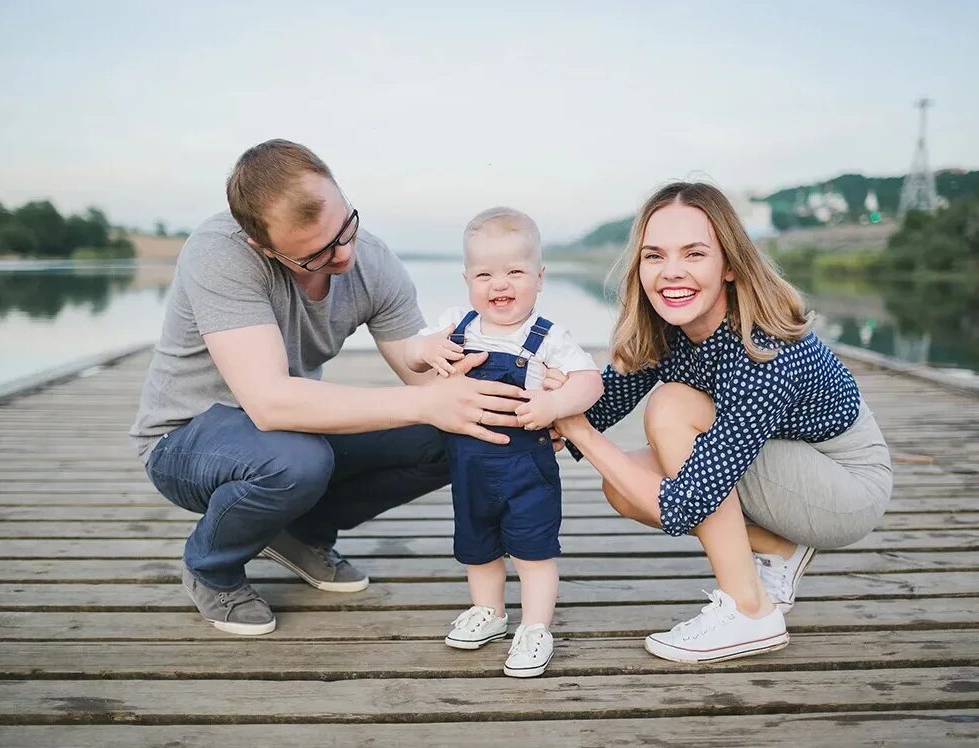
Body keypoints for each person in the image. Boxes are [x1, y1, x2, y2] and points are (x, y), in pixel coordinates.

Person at [128, 139, 528, 636]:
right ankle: (210, 566)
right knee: (295, 462)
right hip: (185, 440)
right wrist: (426, 401)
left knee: (455, 433)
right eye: (315, 255)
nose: (343, 255)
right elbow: (270, 402)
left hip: (290, 434)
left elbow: (427, 379)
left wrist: (518, 408)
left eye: (346, 229)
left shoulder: (371, 261)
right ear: (263, 246)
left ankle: (301, 535)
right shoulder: (220, 253)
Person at [550, 182, 892, 663]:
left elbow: (684, 505)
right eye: (654, 256)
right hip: (782, 459)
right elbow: (599, 408)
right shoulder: (667, 328)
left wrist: (577, 432)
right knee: (621, 485)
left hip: (845, 482)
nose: (671, 273)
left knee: (671, 408)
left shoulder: (764, 348)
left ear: (729, 264)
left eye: (694, 254)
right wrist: (541, 395)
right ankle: (778, 549)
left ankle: (751, 612)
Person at [405, 208, 602, 677]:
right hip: (469, 467)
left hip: (526, 468)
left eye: (515, 271)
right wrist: (426, 349)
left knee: (534, 554)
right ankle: (489, 613)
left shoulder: (548, 337)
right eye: (485, 273)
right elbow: (413, 354)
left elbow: (589, 382)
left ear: (540, 276)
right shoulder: (457, 323)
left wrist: (555, 407)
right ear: (467, 278)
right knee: (479, 549)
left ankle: (535, 626)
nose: (500, 284)